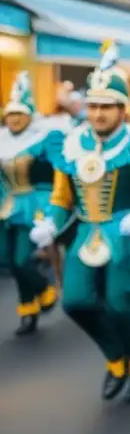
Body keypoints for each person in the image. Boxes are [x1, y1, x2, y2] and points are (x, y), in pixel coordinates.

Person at [30, 42, 130, 403]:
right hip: (86, 234)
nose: (97, 114)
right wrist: (50, 222)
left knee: (120, 303)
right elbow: (62, 198)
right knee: (74, 303)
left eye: (106, 106)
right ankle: (116, 358)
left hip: (123, 231)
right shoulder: (70, 144)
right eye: (93, 105)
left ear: (121, 109)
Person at [0, 72, 61, 335]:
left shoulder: (43, 140)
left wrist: (48, 210)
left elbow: (56, 175)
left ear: (28, 116)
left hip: (31, 205)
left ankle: (45, 288)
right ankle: (28, 309)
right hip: (5, 203)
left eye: (19, 114)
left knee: (22, 260)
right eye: (10, 114)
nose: (13, 119)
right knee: (9, 261)